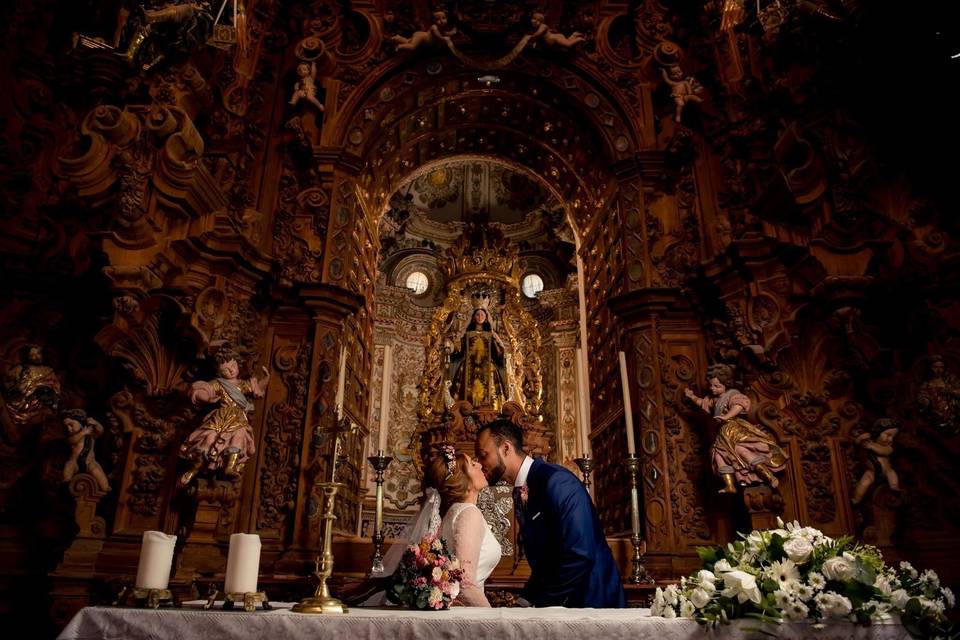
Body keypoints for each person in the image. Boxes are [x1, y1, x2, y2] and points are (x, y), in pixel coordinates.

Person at [475, 419, 626, 608]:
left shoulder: (557, 482)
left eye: (483, 455)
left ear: (506, 448)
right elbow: (545, 563)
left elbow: (580, 554)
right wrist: (524, 601)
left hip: (594, 603)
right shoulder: (522, 490)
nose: (480, 464)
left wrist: (540, 604)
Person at [359, 444, 500, 607]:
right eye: (473, 465)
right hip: (469, 615)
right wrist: (495, 619)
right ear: (462, 479)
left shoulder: (453, 513)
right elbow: (465, 584)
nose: (480, 465)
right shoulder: (469, 513)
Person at [684, 364, 786, 493]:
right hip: (722, 433)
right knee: (718, 455)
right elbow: (703, 403)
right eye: (711, 385)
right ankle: (730, 485)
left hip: (733, 429)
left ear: (726, 384)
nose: (712, 388)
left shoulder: (732, 395)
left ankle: (768, 476)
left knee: (743, 451)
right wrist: (692, 396)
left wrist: (726, 416)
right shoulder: (714, 399)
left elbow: (738, 406)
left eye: (717, 386)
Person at [178, 350, 269, 487]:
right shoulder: (219, 384)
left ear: (238, 364)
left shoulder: (243, 384)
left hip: (238, 418)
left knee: (238, 436)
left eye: (232, 365)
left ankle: (230, 467)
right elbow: (202, 390)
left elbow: (256, 389)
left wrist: (266, 379)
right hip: (221, 417)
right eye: (225, 370)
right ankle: (194, 469)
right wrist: (207, 397)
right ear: (220, 373)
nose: (231, 370)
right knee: (209, 438)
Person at [446, 307, 508, 408]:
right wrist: (450, 349)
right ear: (474, 317)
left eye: (482, 315)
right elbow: (460, 351)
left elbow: (495, 352)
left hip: (487, 367)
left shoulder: (490, 335)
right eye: (478, 315)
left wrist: (502, 355)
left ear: (486, 318)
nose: (480, 317)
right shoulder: (467, 334)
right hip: (468, 368)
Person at [851, 419, 900, 504]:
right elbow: (857, 442)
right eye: (888, 435)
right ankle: (856, 498)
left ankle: (894, 486)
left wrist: (871, 446)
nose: (890, 439)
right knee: (865, 481)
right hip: (872, 472)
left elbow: (882, 451)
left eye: (893, 437)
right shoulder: (870, 441)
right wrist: (862, 438)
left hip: (886, 472)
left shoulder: (888, 448)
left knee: (891, 473)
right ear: (878, 432)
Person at [62, 409, 111, 492]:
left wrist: (96, 423)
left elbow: (100, 431)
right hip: (75, 462)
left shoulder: (91, 435)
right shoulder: (72, 437)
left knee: (97, 471)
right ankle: (67, 480)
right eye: (66, 426)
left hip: (90, 462)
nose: (68, 428)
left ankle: (105, 487)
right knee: (69, 465)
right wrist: (83, 433)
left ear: (80, 422)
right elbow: (73, 440)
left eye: (71, 425)